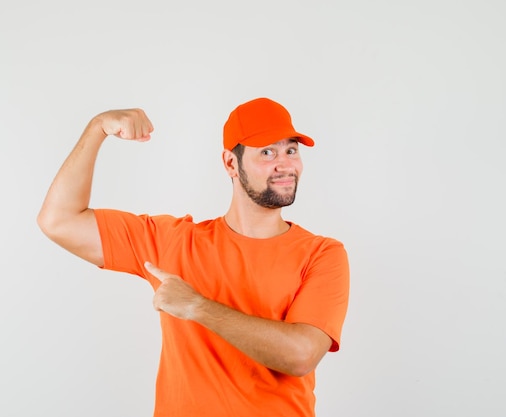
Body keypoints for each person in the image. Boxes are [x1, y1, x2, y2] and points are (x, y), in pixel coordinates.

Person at [37, 97, 350, 417]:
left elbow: (301, 355)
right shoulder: (173, 241)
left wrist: (197, 306)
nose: (284, 164)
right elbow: (58, 220)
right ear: (231, 163)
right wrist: (97, 128)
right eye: (267, 152)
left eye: (291, 150)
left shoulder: (322, 254)